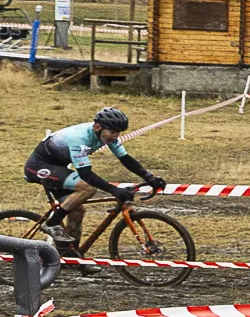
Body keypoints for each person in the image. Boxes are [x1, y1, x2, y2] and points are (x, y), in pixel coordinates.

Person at [23, 106, 159, 248]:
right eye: (112, 132)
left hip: (59, 167)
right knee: (87, 188)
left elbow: (125, 158)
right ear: (97, 127)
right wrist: (114, 190)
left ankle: (70, 256)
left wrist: (149, 177)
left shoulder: (106, 135)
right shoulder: (79, 138)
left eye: (118, 132)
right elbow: (85, 174)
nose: (115, 136)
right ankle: (52, 223)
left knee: (77, 210)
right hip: (39, 166)